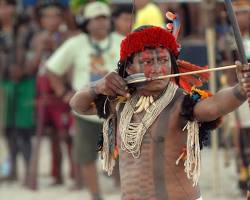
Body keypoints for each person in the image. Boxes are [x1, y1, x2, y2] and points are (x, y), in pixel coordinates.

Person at [70, 25, 250, 200]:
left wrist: (241, 90)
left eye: (163, 61)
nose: (157, 69)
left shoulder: (182, 103)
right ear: (130, 68)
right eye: (147, 62)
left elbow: (215, 106)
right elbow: (79, 105)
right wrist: (97, 87)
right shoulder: (119, 102)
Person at [46, 1, 123, 199]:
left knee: (124, 154)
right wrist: (63, 93)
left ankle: (125, 190)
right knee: (87, 157)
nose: (100, 23)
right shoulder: (75, 43)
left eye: (104, 18)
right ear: (86, 23)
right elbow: (52, 68)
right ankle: (95, 195)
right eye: (95, 19)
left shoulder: (122, 41)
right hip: (87, 111)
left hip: (118, 110)